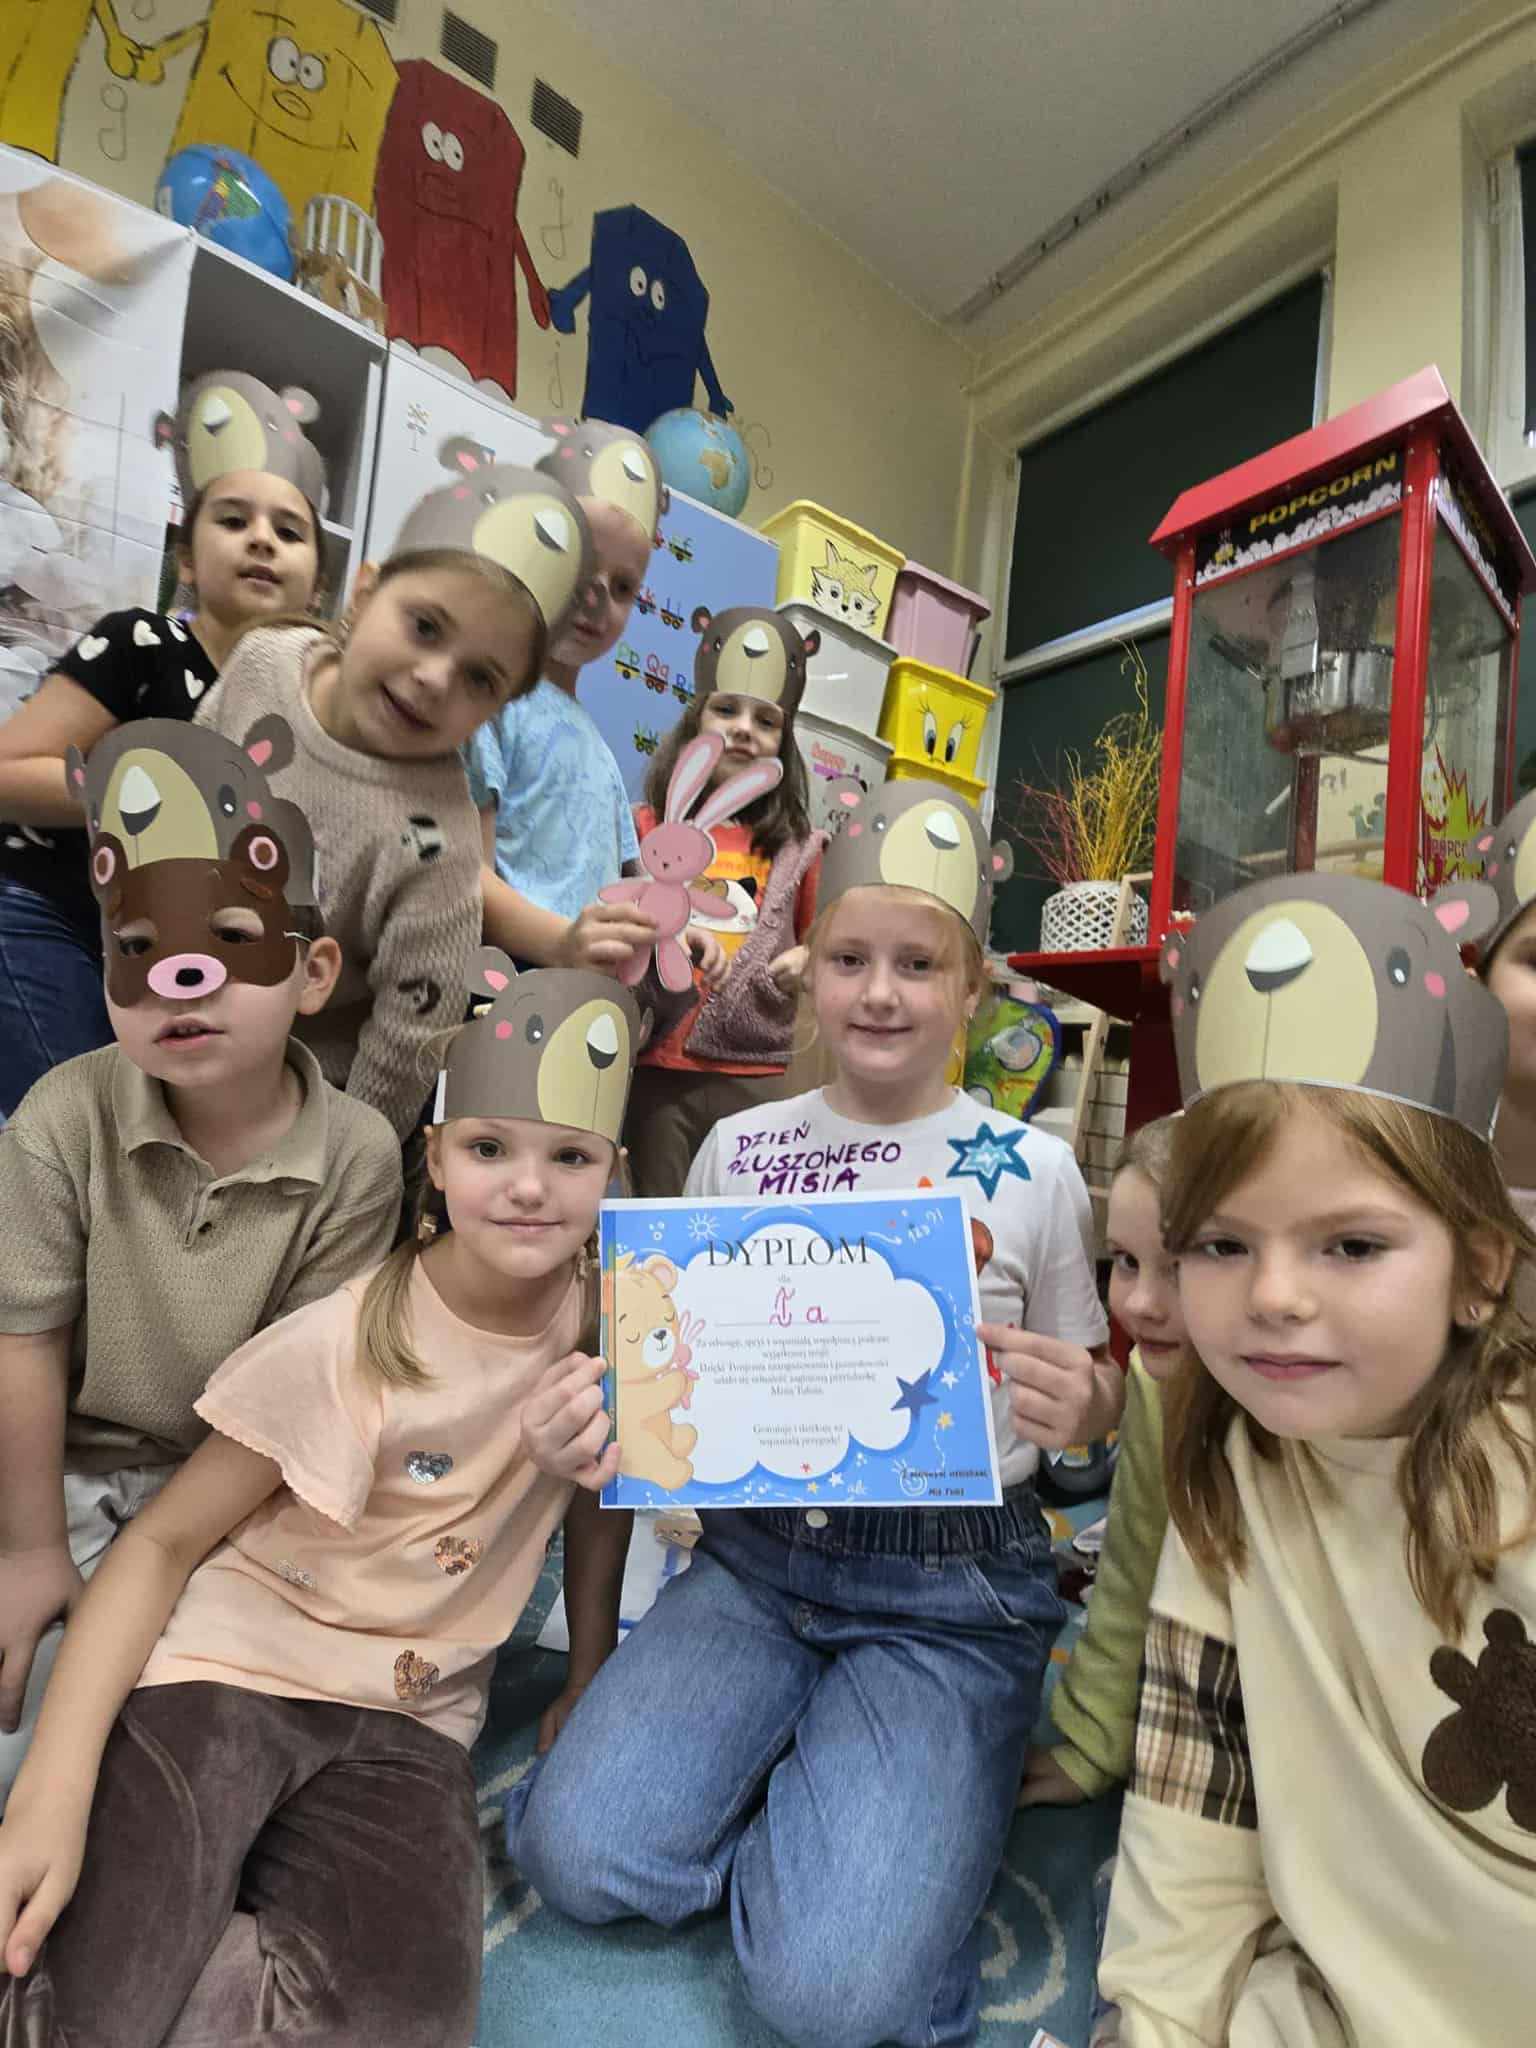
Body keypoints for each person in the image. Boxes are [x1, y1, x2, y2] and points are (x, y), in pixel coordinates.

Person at [507, 775, 1122, 2048]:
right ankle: (835, 1791)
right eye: (849, 959)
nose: (880, 992)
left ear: (972, 987)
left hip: (954, 1583)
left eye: (918, 964)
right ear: (809, 969)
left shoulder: (1039, 1168)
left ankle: (859, 1805)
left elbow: (1089, 1386)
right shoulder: (741, 1146)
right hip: (758, 1550)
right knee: (576, 1854)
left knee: (829, 1997)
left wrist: (1087, 1400)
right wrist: (613, 1409)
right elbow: (680, 1362)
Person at [0, 952, 643, 2045]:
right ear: (436, 1157)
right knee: (81, 1993)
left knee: (408, 2021)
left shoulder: (615, 1325)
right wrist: (50, 1794)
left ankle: (197, 1946)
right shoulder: (346, 1338)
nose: (529, 1187)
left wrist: (586, 1673)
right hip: (232, 1669)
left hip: (412, 1715)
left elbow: (600, 1495)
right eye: (490, 1148)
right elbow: (161, 1544)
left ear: (612, 1171)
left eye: (569, 1156)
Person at [1099, 871, 1536, 2044]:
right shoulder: (1228, 1476)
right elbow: (1191, 1818)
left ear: (1479, 1268)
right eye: (1220, 1243)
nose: (1275, 1297)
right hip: (1334, 1998)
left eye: (1350, 1244)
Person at [0, 720, 401, 1807]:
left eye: (231, 935)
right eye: (137, 946)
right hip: (59, 1467)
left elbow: (295, 1393)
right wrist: (30, 1547)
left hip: (233, 1489)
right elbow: (22, 1338)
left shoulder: (358, 1155)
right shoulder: (62, 1114)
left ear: (314, 971)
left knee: (179, 1747)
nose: (184, 976)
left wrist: (168, 1551)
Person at [194, 458, 594, 1140]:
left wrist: (341, 1165)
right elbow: (183, 788)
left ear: (497, 711)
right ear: (364, 592)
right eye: (426, 627)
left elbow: (409, 1041)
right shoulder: (263, 661)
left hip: (293, 1111)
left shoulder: (439, 843)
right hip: (166, 1014)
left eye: (480, 679)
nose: (435, 678)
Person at [0, 371, 326, 1114]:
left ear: (316, 584)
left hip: (159, 969)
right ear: (185, 560)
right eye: (233, 521)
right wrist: (149, 790)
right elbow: (7, 772)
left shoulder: (301, 721)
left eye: (289, 531)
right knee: (83, 1134)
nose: (262, 540)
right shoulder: (143, 644)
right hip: (45, 912)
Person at [1016, 1115, 1180, 2048]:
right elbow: (1132, 1560)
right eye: (1125, 1264)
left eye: (1185, 1265)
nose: (1142, 1305)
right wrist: (1087, 1738)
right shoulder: (1156, 1378)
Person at [468, 417, 703, 977]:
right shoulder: (489, 703)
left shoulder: (598, 749)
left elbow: (629, 886)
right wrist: (561, 943)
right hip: (510, 984)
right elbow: (466, 877)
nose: (596, 597)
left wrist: (673, 930)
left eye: (622, 587)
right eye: (578, 566)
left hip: (584, 995)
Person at [622, 605, 826, 1196]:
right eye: (726, 709)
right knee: (658, 1213)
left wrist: (807, 960)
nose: (743, 729)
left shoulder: (796, 848)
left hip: (755, 1067)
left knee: (745, 1220)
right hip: (661, 1061)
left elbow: (823, 940)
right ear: (695, 721)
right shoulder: (645, 827)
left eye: (766, 720)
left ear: (783, 743)